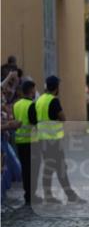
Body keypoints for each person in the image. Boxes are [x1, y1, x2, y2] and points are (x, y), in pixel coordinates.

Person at [36, 75, 83, 204]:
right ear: (56, 88)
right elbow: (63, 117)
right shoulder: (53, 100)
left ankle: (49, 196)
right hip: (53, 141)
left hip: (42, 140)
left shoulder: (39, 100)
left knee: (49, 168)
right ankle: (70, 196)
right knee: (61, 168)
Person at [12, 78, 38, 207]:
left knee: (25, 169)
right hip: (31, 142)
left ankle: (28, 194)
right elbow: (35, 122)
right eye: (34, 89)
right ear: (31, 91)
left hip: (19, 141)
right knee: (33, 170)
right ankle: (31, 195)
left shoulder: (16, 105)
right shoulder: (32, 105)